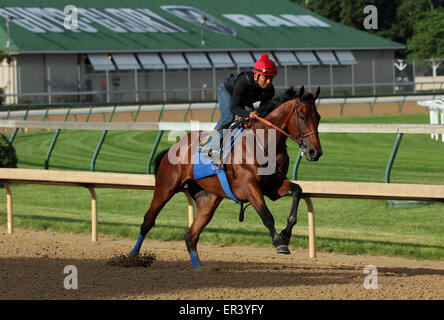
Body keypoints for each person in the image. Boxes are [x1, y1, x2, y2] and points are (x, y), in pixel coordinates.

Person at [208, 53, 278, 157]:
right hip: (227, 90)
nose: (268, 82)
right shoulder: (243, 81)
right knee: (228, 117)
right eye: (265, 78)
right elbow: (234, 107)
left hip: (244, 98)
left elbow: (263, 112)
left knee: (253, 121)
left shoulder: (270, 91)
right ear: (256, 75)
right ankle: (210, 144)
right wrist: (248, 113)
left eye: (271, 78)